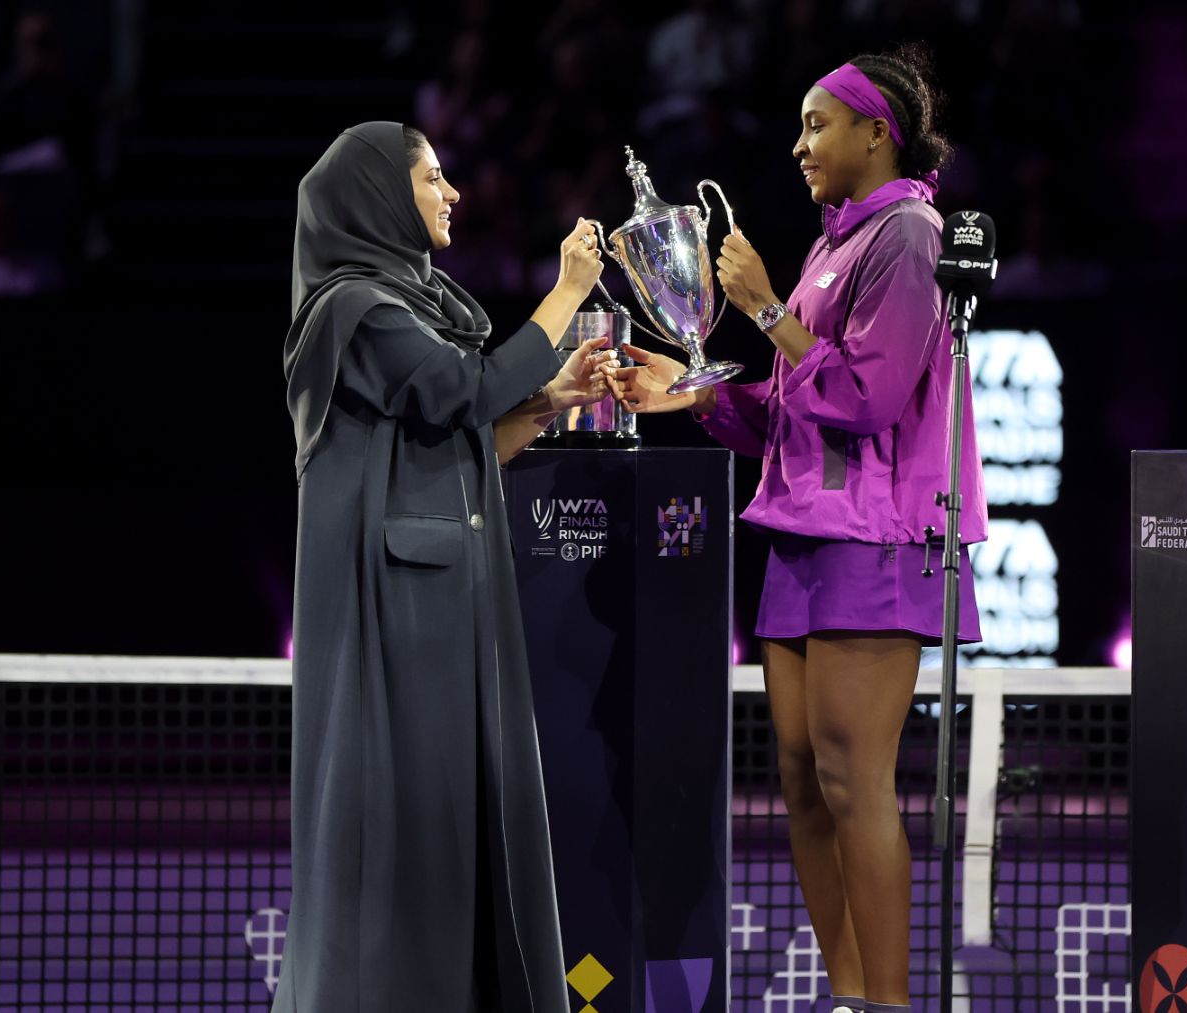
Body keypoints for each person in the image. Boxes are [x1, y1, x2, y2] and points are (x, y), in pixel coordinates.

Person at [608, 46, 984, 1013]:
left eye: (819, 124)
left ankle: (890, 1004)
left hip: (879, 541)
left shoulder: (907, 234)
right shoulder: (833, 246)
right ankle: (850, 994)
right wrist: (688, 396)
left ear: (876, 132)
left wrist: (765, 308)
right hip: (803, 534)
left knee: (855, 780)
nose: (800, 143)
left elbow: (867, 396)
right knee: (807, 785)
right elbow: (790, 412)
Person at [276, 120, 610, 1013]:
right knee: (405, 821)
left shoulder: (412, 309)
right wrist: (568, 292)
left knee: (463, 823)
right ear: (382, 196)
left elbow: (460, 445)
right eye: (431, 178)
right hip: (399, 617)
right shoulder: (355, 310)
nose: (452, 193)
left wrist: (547, 402)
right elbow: (456, 390)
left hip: (456, 613)